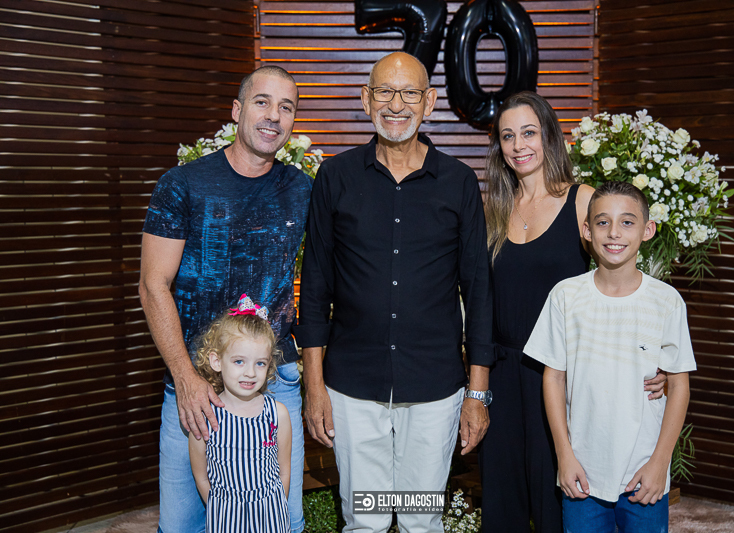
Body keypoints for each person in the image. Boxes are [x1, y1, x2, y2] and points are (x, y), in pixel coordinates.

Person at [294, 51, 493, 533]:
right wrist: (314, 387)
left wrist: (478, 393)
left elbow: (479, 291)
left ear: (430, 102)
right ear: (366, 99)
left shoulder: (458, 182)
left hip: (434, 387)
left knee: (420, 518)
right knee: (367, 518)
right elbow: (315, 286)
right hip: (352, 386)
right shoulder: (336, 177)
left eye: (409, 93)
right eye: (384, 91)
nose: (396, 104)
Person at [479, 91, 666, 533]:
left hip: (562, 376)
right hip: (502, 375)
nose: (519, 145)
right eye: (508, 136)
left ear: (549, 136)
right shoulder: (494, 210)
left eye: (529, 132)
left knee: (559, 501)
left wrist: (654, 354)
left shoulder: (582, 200)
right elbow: (480, 296)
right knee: (502, 504)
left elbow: (627, 273)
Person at [139, 66, 312, 533]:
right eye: (262, 102)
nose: (273, 115)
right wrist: (185, 377)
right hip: (196, 386)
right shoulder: (182, 184)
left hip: (274, 383)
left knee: (281, 518)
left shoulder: (303, 189)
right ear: (237, 110)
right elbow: (153, 285)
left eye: (286, 107)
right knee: (185, 524)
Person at [526, 181, 696, 532]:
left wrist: (659, 463)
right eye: (603, 222)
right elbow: (553, 377)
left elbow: (679, 385)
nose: (614, 232)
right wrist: (564, 456)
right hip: (583, 474)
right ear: (587, 230)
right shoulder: (565, 296)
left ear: (647, 230)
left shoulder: (666, 302)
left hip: (644, 472)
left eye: (627, 222)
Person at [189, 295, 292, 533]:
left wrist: (275, 508)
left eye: (260, 363)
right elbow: (201, 476)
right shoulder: (205, 416)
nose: (250, 373)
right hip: (225, 519)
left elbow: (284, 470)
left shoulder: (278, 414)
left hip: (271, 518)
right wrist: (221, 508)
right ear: (217, 361)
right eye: (239, 361)